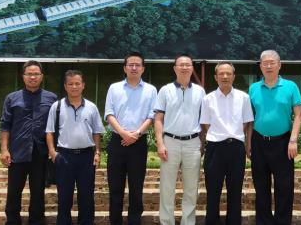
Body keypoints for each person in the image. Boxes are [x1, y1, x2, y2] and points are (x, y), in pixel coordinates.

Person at [248, 50, 301, 225]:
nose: (269, 66)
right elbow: (249, 119)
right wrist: (248, 142)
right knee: (261, 187)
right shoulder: (253, 88)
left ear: (279, 65)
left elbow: (299, 115)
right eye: (265, 63)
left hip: (283, 142)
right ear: (260, 66)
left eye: (272, 62)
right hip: (259, 141)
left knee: (284, 187)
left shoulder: (290, 86)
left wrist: (293, 140)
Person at [0, 60, 57, 225]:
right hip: (17, 151)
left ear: (42, 76)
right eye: (29, 74)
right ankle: (12, 221)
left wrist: (53, 150)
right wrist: (4, 150)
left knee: (38, 191)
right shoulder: (12, 98)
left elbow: (55, 126)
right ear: (23, 76)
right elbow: (5, 125)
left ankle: (37, 221)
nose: (33, 77)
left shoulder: (52, 98)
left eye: (36, 74)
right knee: (14, 191)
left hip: (41, 152)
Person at [46, 70, 105, 225]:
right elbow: (49, 131)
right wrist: (53, 153)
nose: (74, 87)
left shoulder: (91, 107)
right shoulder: (57, 107)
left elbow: (97, 132)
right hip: (64, 156)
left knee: (86, 196)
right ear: (65, 86)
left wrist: (97, 152)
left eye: (77, 83)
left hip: (86, 157)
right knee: (64, 197)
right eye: (70, 84)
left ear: (83, 85)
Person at [104, 52, 157, 225]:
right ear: (125, 68)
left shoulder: (151, 90)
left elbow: (152, 116)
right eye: (130, 65)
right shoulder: (114, 88)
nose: (134, 68)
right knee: (115, 188)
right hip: (117, 141)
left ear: (143, 68)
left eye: (137, 65)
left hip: (138, 143)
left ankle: (134, 220)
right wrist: (124, 133)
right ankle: (115, 221)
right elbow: (109, 114)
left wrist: (136, 134)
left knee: (136, 187)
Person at [199, 62, 254, 225]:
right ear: (215, 77)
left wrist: (246, 143)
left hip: (236, 148)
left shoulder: (243, 97)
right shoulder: (208, 99)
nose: (225, 76)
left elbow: (247, 122)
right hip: (215, 148)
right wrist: (220, 133)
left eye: (228, 73)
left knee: (235, 191)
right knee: (213, 191)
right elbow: (205, 124)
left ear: (233, 76)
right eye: (221, 74)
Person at [154, 54, 206, 225]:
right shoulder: (165, 90)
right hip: (170, 142)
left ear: (192, 68)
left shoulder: (200, 91)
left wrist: (202, 143)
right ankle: (166, 222)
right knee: (167, 187)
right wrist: (160, 143)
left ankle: (188, 222)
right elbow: (158, 119)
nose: (184, 67)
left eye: (188, 65)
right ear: (175, 68)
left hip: (193, 143)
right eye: (181, 65)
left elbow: (204, 120)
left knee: (191, 188)